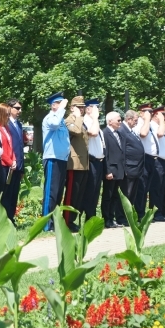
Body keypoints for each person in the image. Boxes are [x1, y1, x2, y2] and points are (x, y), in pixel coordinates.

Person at [42, 92, 70, 231]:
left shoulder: (61, 120)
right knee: (51, 193)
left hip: (61, 159)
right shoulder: (50, 118)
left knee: (58, 193)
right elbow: (54, 124)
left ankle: (54, 222)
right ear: (53, 105)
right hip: (52, 158)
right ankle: (46, 224)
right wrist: (62, 108)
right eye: (59, 104)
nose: (63, 107)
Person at [64, 96, 88, 231]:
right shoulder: (68, 121)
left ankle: (73, 220)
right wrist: (78, 116)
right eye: (79, 107)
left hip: (83, 163)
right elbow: (77, 132)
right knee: (72, 194)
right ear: (72, 108)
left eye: (82, 107)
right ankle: (67, 220)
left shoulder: (81, 121)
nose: (82, 109)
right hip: (73, 163)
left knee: (79, 194)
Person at [117, 110, 145, 226]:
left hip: (135, 168)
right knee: (126, 194)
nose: (136, 123)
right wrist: (124, 168)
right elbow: (122, 151)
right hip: (129, 168)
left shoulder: (130, 131)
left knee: (132, 194)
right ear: (128, 119)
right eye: (135, 120)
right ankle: (121, 217)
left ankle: (128, 216)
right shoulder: (122, 130)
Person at [80, 98, 104, 224]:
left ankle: (92, 215)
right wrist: (95, 118)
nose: (98, 110)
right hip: (91, 161)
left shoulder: (95, 121)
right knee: (90, 190)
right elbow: (93, 133)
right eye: (96, 107)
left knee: (95, 191)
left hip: (99, 162)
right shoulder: (87, 121)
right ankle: (88, 217)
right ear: (88, 109)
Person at [3, 98, 25, 222]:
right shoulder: (6, 124)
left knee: (14, 194)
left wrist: (22, 167)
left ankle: (11, 218)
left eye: (20, 108)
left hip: (18, 166)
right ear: (9, 108)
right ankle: (6, 219)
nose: (19, 110)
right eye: (17, 108)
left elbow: (20, 147)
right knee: (7, 193)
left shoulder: (19, 124)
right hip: (9, 165)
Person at [101, 111, 125, 228]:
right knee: (108, 195)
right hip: (111, 169)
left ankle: (112, 217)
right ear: (110, 121)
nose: (120, 122)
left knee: (115, 195)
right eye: (118, 120)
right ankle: (106, 219)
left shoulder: (118, 133)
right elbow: (106, 154)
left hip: (119, 169)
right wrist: (108, 171)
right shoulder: (105, 133)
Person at [0, 103, 16, 205]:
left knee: (8, 194)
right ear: (0, 114)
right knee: (1, 193)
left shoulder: (6, 128)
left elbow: (10, 146)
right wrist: (10, 162)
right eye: (7, 114)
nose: (8, 117)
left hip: (10, 165)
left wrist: (14, 160)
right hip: (2, 165)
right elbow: (0, 149)